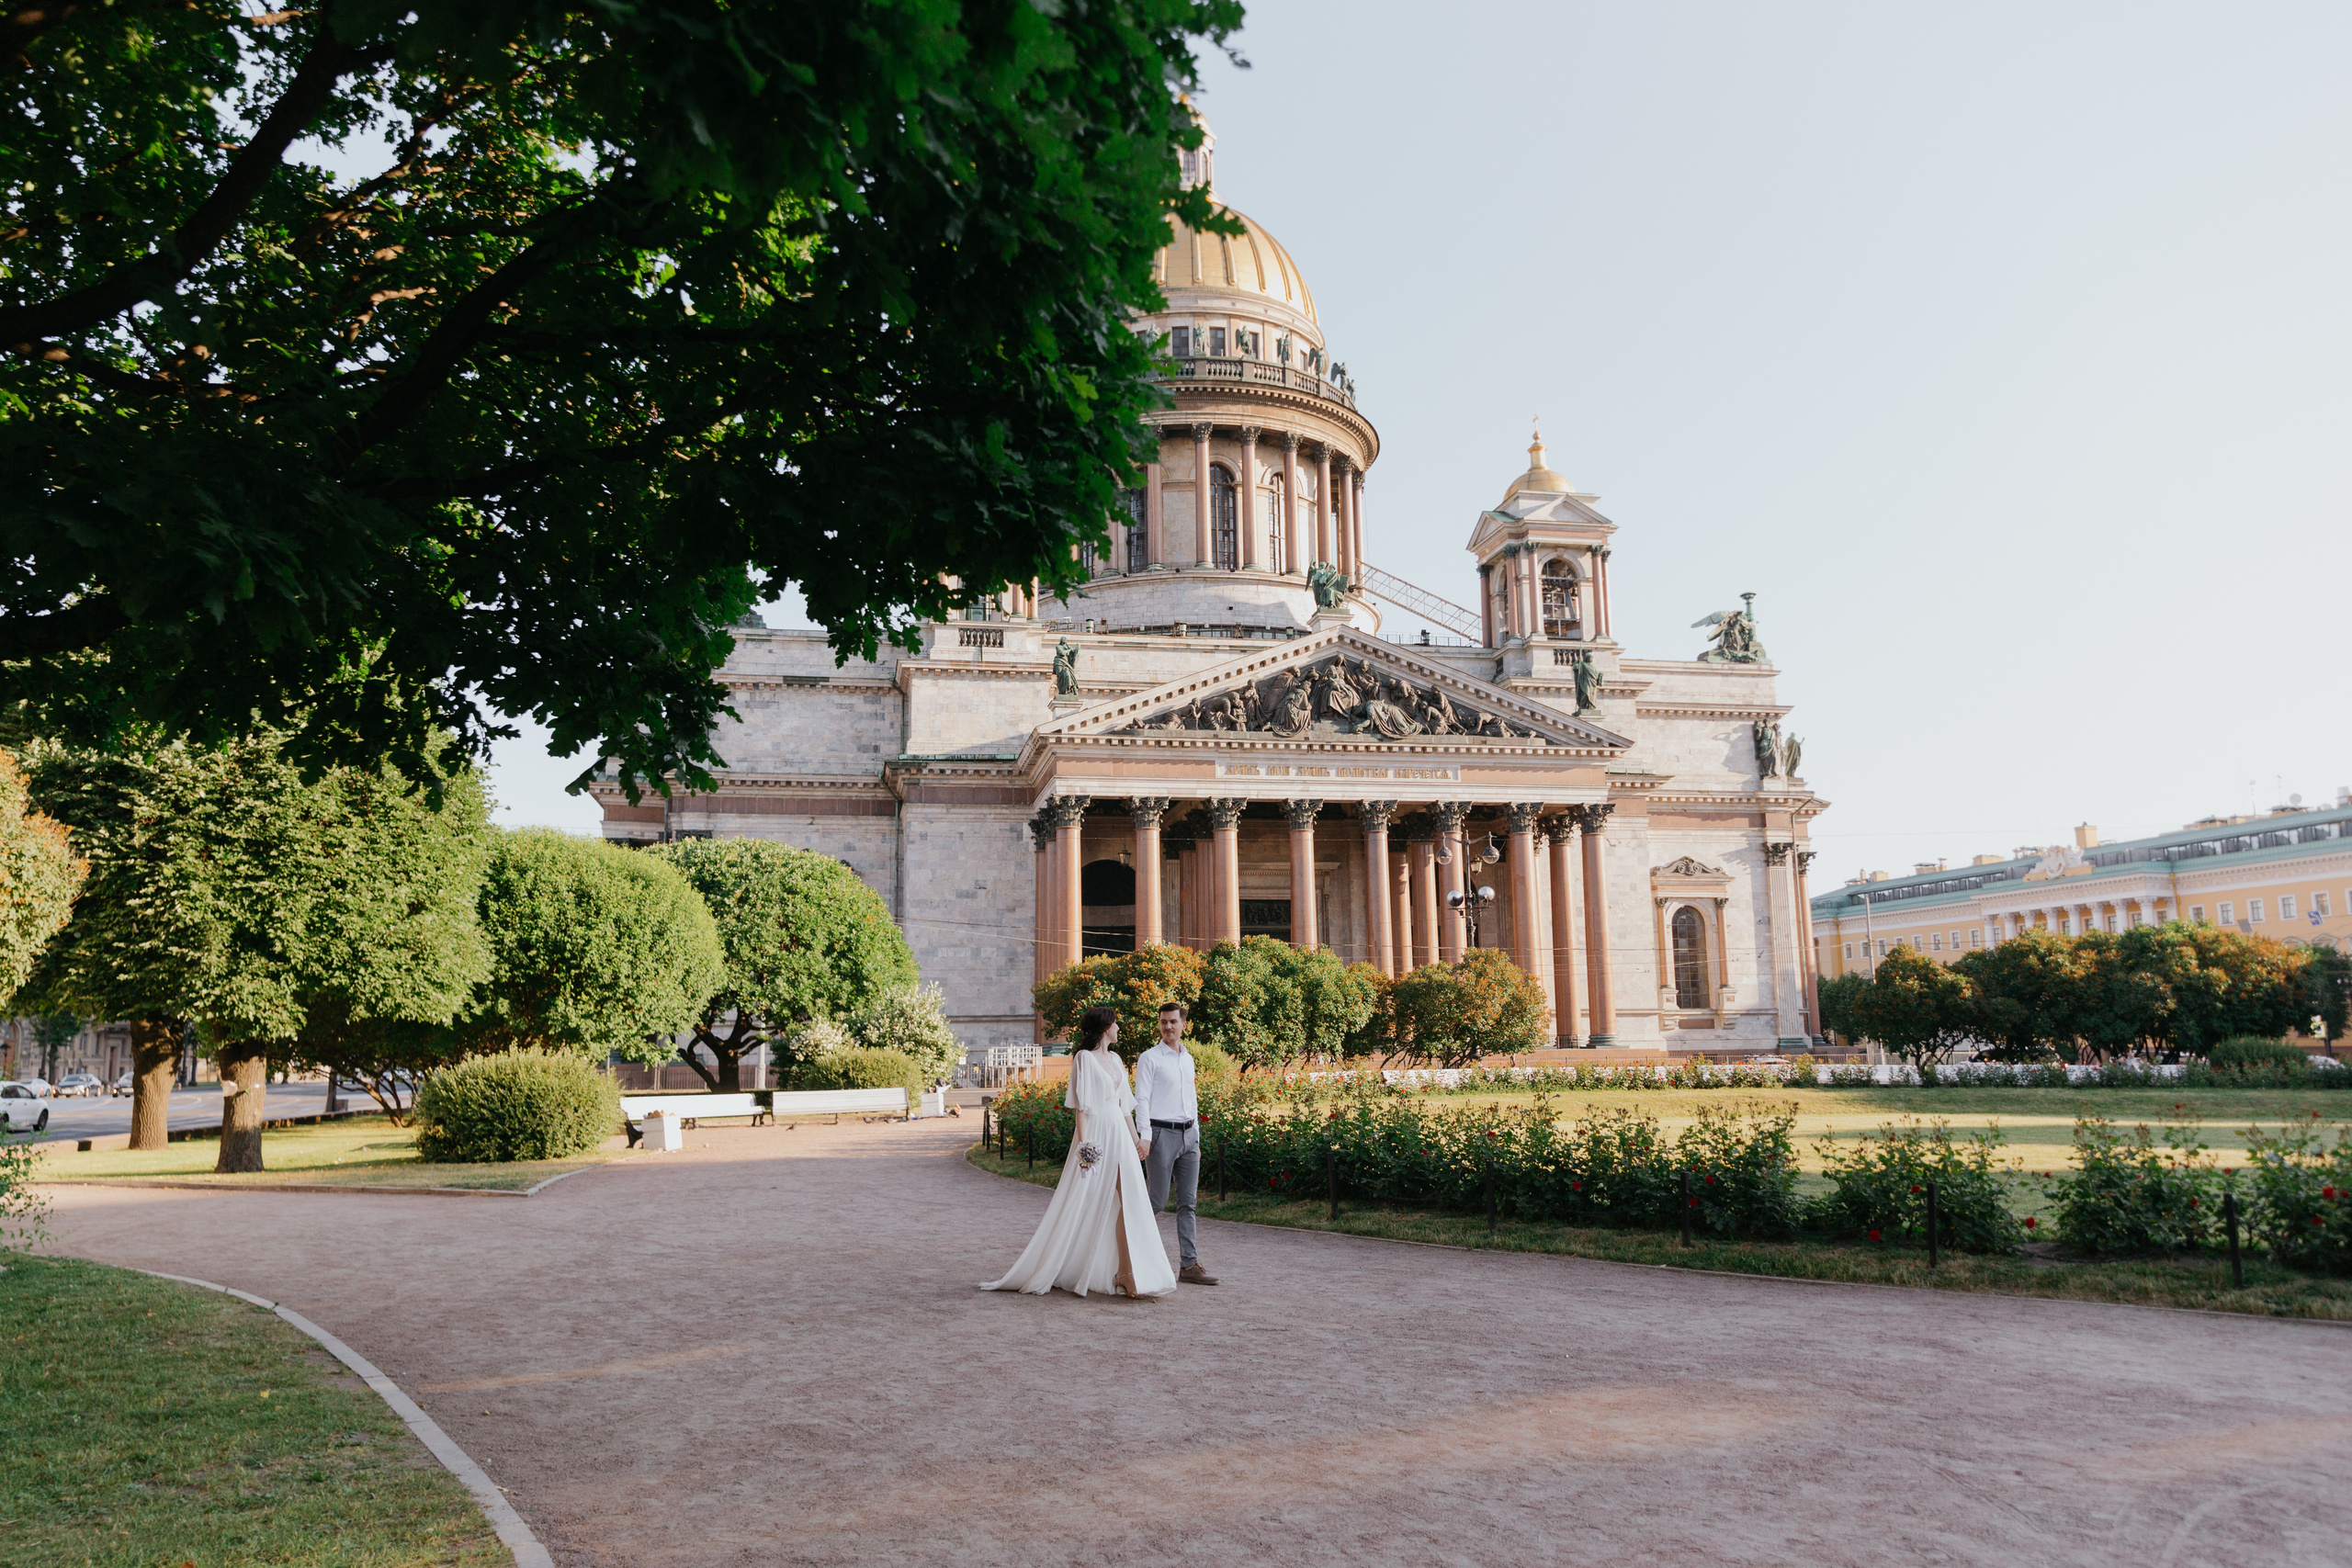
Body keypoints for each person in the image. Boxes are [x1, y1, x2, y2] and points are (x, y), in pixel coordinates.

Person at [980, 1007, 1176, 1300]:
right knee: (1080, 1199)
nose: (1119, 1027)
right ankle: (1060, 1262)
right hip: (1096, 1134)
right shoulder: (1084, 1059)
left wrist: (1137, 1141)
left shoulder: (1118, 1059)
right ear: (1104, 1028)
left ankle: (1126, 1273)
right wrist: (1085, 1147)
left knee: (1131, 1201)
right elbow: (1082, 1109)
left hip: (1120, 1136)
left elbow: (1124, 1107)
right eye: (1115, 1023)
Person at [1131, 1003, 1219, 1285]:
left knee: (1188, 1203)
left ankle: (1189, 1265)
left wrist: (1197, 1138)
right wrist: (1144, 1137)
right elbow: (1141, 1099)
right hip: (1160, 1135)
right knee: (1156, 1200)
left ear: (1184, 1025)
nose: (1167, 1026)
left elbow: (1191, 1100)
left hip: (1188, 1137)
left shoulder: (1187, 1058)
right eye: (1163, 1022)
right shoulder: (1150, 1058)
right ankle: (1123, 1251)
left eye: (1172, 1021)